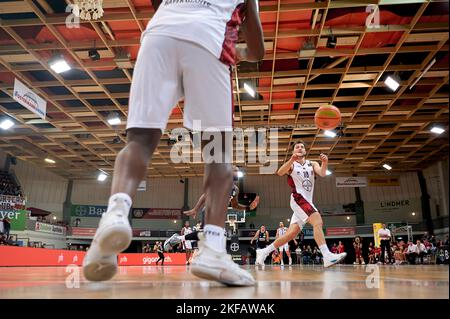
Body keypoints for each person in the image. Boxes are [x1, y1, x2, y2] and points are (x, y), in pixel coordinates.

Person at [82, 0, 264, 286]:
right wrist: (240, 51)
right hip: (209, 41)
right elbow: (258, 49)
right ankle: (213, 250)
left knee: (139, 141)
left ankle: (115, 213)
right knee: (218, 155)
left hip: (158, 36)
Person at [255, 141, 346, 267]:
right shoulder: (292, 165)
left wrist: (325, 163)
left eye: (302, 147)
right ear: (293, 151)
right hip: (298, 199)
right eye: (297, 147)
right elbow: (280, 172)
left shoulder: (312, 163)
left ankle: (263, 252)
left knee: (291, 234)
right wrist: (291, 159)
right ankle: (327, 256)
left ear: (305, 151)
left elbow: (323, 173)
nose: (300, 148)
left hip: (307, 202)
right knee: (317, 221)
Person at [163, 166, 259, 250]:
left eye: (237, 171)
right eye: (235, 170)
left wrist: (248, 208)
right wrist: (195, 209)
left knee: (213, 235)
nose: (237, 172)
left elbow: (235, 205)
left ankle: (179, 239)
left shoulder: (235, 189)